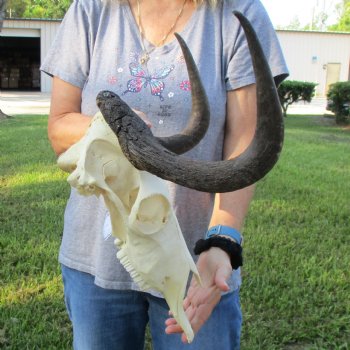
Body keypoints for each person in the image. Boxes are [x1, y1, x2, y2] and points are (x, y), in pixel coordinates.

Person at [41, 0, 288, 349]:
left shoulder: (238, 12)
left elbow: (245, 143)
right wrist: (113, 128)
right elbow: (59, 127)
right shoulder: (91, 10)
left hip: (197, 262)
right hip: (96, 260)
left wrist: (222, 241)